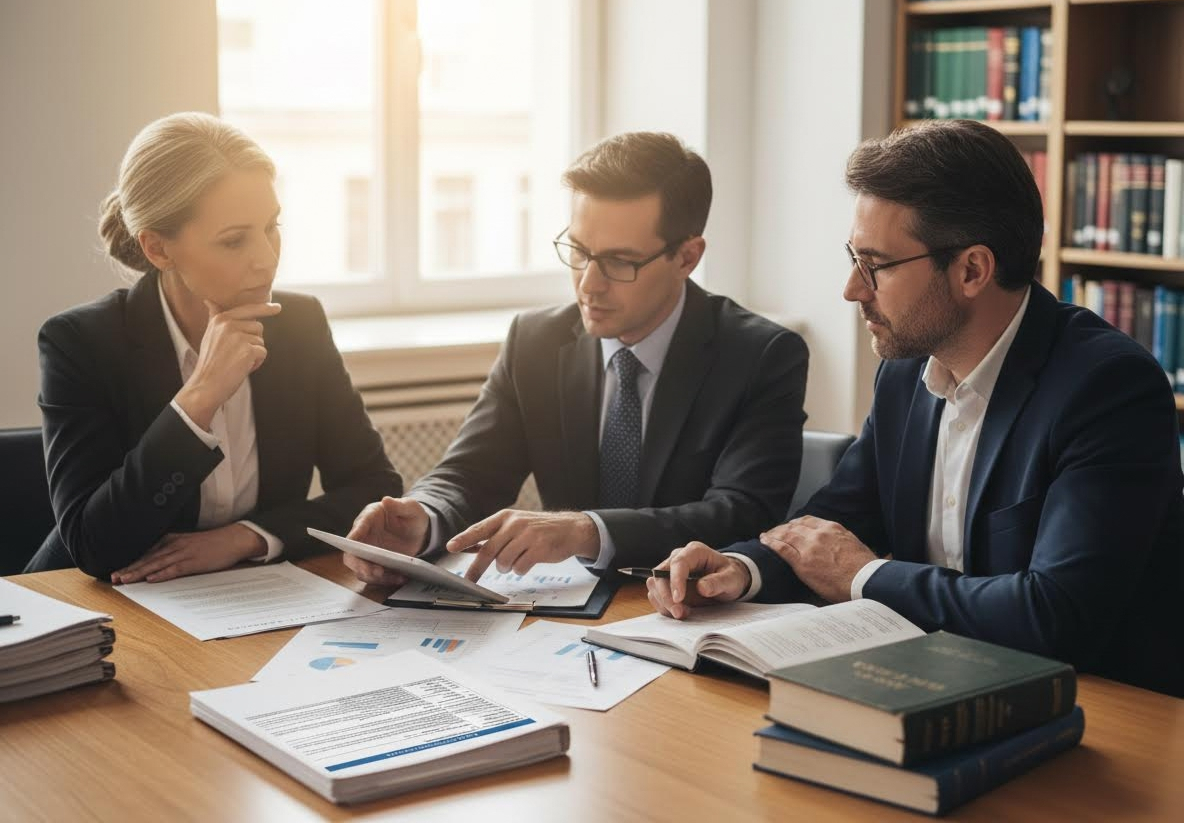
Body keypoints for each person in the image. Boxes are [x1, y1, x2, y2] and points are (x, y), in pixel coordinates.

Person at [645, 119, 1184, 698]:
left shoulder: (1107, 389)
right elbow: (839, 524)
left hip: (1098, 710)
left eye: (875, 264)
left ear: (972, 270)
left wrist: (863, 575)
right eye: (853, 257)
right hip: (938, 680)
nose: (852, 288)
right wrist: (741, 570)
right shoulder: (904, 371)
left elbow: (1056, 615)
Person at [344, 131, 808, 586]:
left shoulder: (761, 355)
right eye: (580, 252)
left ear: (687, 257)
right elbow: (472, 472)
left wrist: (587, 530)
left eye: (620, 262)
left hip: (691, 606)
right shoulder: (536, 340)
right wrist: (423, 517)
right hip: (564, 610)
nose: (589, 284)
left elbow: (743, 514)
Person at [25, 112, 402, 582]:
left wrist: (248, 536)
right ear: (158, 250)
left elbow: (374, 486)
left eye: (271, 227)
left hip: (243, 601)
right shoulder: (81, 343)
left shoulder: (298, 325)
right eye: (234, 240)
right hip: (96, 615)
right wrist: (199, 396)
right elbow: (93, 545)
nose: (266, 259)